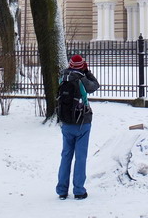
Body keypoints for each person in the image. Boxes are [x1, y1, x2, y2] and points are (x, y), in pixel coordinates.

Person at [56, 54, 100, 200]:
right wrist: (87, 72)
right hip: (82, 122)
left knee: (66, 155)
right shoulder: (82, 79)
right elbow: (95, 85)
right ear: (82, 65)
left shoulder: (63, 77)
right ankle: (79, 190)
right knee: (80, 157)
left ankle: (62, 189)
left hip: (66, 122)